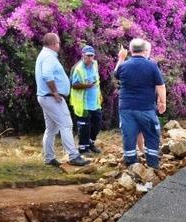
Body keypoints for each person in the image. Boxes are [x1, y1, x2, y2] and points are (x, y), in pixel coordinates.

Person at [35, 32, 88, 167]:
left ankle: (49, 158)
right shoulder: (48, 57)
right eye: (58, 43)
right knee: (66, 125)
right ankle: (73, 156)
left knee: (51, 129)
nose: (59, 45)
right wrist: (55, 92)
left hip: (46, 97)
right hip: (51, 97)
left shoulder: (45, 55)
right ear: (54, 44)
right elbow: (47, 75)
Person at [114, 38, 166, 168]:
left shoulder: (124, 66)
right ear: (145, 50)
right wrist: (162, 102)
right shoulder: (152, 65)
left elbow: (116, 74)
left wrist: (121, 58)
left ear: (131, 50)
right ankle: (153, 164)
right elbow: (160, 86)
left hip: (126, 108)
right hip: (146, 108)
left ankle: (131, 163)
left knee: (129, 135)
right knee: (152, 134)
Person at [70, 45, 102, 155]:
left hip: (95, 102)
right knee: (84, 126)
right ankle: (83, 148)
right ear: (83, 55)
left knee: (97, 124)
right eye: (88, 55)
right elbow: (74, 85)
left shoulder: (95, 65)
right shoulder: (78, 68)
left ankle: (90, 143)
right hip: (83, 103)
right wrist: (86, 86)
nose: (90, 58)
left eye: (91, 56)